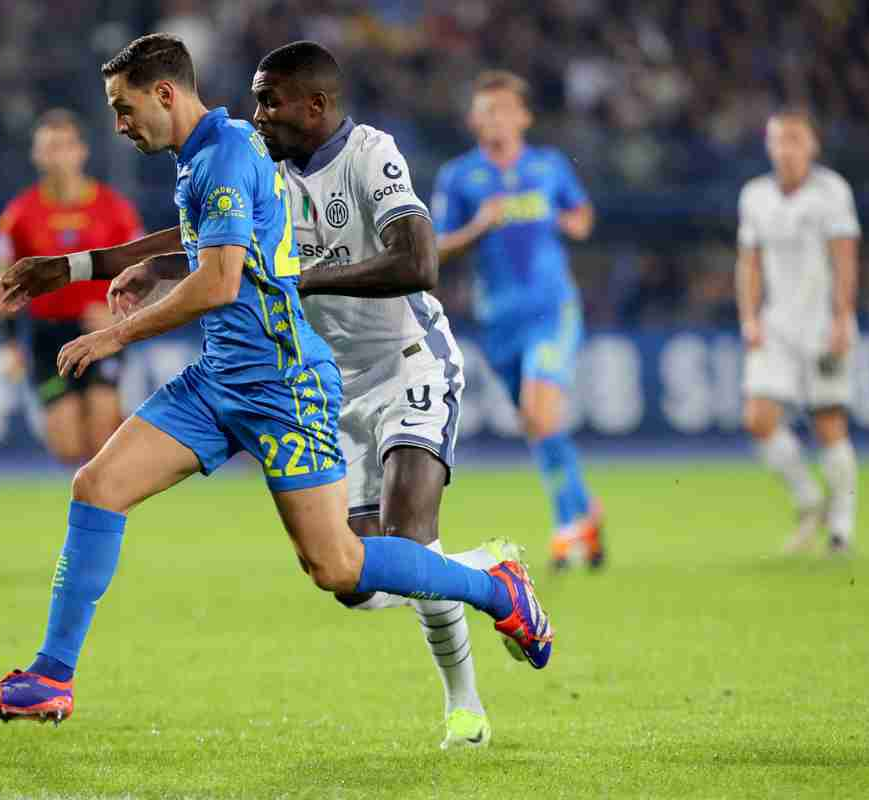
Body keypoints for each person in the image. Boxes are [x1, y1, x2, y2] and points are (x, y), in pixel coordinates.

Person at [0, 34, 553, 726]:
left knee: (338, 568)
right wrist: (71, 268)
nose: (119, 125)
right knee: (97, 484)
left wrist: (114, 333)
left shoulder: (239, 151)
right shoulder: (220, 153)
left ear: (164, 94)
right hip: (221, 379)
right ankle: (50, 677)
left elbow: (217, 280)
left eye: (124, 109)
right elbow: (198, 237)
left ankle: (493, 587)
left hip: (286, 384)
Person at [251, 41, 513, 749]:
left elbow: (420, 262)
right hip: (336, 392)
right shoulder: (266, 172)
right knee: (355, 581)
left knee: (409, 541)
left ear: (317, 104)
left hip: (410, 361)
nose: (258, 114)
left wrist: (306, 280)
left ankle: (465, 708)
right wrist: (106, 268)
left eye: (269, 100)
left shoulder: (371, 153)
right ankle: (491, 573)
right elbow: (199, 238)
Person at [432, 71, 603, 570]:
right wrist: (479, 226)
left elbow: (583, 216)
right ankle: (587, 512)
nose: (495, 118)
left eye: (504, 109)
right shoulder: (459, 177)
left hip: (552, 310)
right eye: (486, 110)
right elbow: (438, 246)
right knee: (537, 422)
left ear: (523, 116)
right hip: (498, 322)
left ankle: (567, 529)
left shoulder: (548, 167)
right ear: (472, 120)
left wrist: (565, 221)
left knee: (539, 411)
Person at [736, 109, 861, 554]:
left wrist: (842, 319)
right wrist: (749, 316)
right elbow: (748, 262)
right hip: (775, 325)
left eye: (794, 139)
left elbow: (845, 259)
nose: (785, 149)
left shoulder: (831, 192)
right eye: (777, 140)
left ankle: (841, 527)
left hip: (822, 324)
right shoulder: (754, 195)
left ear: (812, 145)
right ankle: (809, 499)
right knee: (758, 419)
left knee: (829, 423)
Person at [0, 109, 144, 464]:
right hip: (48, 336)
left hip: (99, 331)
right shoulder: (18, 216)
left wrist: (120, 316)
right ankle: (135, 448)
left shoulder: (115, 210)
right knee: (68, 445)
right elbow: (0, 283)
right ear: (37, 155)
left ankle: (113, 495)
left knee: (101, 426)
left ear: (81, 151)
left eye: (65, 145)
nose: (58, 155)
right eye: (49, 147)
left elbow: (145, 272)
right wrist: (8, 342)